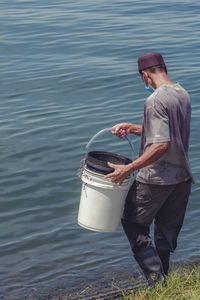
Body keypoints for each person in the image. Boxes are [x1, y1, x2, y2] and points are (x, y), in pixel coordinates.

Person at [105, 52, 194, 286]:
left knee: (133, 223)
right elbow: (168, 131)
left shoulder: (154, 100)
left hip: (156, 179)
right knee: (164, 231)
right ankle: (164, 280)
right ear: (164, 68)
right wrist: (133, 128)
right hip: (181, 177)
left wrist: (129, 168)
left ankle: (156, 280)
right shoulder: (181, 93)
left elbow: (162, 144)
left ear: (145, 75)